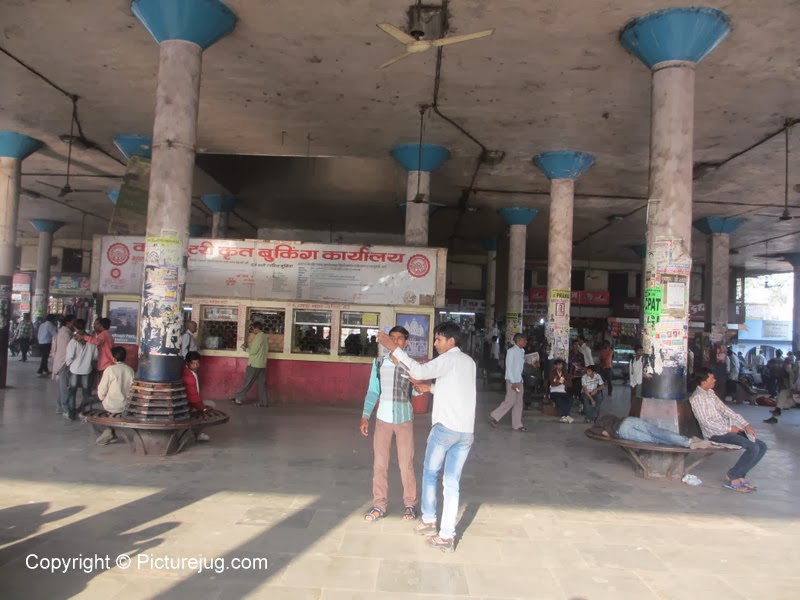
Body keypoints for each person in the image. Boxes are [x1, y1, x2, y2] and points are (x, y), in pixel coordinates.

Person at [377, 322, 476, 553]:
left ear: (451, 341)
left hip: (444, 430)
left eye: (438, 339)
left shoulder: (448, 359)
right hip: (465, 433)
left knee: (430, 474)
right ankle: (447, 536)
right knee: (452, 483)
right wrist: (428, 389)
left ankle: (430, 519)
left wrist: (394, 348)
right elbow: (457, 391)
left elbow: (419, 371)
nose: (435, 344)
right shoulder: (468, 362)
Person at [359, 326, 417, 523]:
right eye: (392, 338)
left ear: (406, 342)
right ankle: (379, 505)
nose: (395, 341)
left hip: (404, 419)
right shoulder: (379, 363)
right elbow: (373, 391)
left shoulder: (411, 365)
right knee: (380, 465)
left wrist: (416, 382)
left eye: (400, 339)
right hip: (383, 419)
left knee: (405, 465)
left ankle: (410, 505)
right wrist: (365, 415)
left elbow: (417, 392)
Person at [689, 368, 768, 492]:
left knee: (761, 446)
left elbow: (725, 410)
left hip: (727, 430)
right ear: (703, 382)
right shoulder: (697, 398)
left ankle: (740, 475)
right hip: (715, 434)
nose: (714, 380)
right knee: (753, 447)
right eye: (711, 379)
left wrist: (745, 424)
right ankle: (734, 476)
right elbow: (706, 422)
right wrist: (730, 428)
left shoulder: (710, 393)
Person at [589, 414, 716, 449]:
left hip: (621, 431)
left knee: (653, 439)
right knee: (656, 431)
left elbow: (604, 434)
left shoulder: (595, 427)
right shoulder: (606, 416)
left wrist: (606, 433)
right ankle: (688, 440)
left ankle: (688, 443)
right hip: (627, 420)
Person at [95, 346, 135, 445]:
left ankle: (109, 431)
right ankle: (109, 431)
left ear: (113, 358)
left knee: (106, 406)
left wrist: (102, 398)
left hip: (111, 406)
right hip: (125, 406)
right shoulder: (130, 370)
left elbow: (102, 390)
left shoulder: (110, 370)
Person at [488, 333, 527, 431]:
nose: (525, 342)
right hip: (512, 380)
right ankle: (494, 416)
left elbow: (520, 366)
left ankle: (517, 424)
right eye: (524, 340)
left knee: (518, 403)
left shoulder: (522, 351)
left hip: (519, 380)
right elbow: (509, 367)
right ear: (518, 340)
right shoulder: (511, 351)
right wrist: (513, 382)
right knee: (510, 401)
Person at [64, 319, 97, 420]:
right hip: (87, 370)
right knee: (86, 392)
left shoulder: (73, 341)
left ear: (75, 328)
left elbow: (69, 357)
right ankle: (85, 413)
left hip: (74, 369)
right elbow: (95, 356)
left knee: (72, 391)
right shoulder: (91, 340)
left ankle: (71, 414)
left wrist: (69, 365)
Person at [231, 321, 268, 406]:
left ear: (256, 328)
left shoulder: (258, 337)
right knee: (261, 384)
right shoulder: (265, 337)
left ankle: (239, 398)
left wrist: (245, 349)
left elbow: (253, 351)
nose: (253, 331)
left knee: (248, 382)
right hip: (262, 364)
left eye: (253, 329)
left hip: (254, 364)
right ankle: (263, 402)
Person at [182, 351, 214, 442]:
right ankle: (198, 434)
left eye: (198, 363)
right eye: (193, 363)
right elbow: (194, 397)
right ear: (188, 363)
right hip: (189, 405)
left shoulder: (185, 371)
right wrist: (203, 408)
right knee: (206, 409)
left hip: (184, 403)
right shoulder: (191, 376)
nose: (196, 365)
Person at [80, 317, 115, 393]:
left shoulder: (103, 335)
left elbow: (97, 341)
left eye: (97, 324)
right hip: (108, 360)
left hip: (105, 361)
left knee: (103, 381)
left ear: (101, 326)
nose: (95, 326)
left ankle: (101, 395)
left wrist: (84, 337)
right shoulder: (108, 335)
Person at [51, 315, 76, 415]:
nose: (74, 324)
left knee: (62, 385)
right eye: (73, 322)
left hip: (60, 361)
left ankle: (60, 405)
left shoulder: (63, 332)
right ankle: (64, 406)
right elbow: (68, 351)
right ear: (68, 323)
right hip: (63, 362)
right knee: (64, 386)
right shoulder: (65, 334)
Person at [548, 358, 572, 423]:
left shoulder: (565, 373)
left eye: (561, 365)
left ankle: (565, 415)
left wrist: (563, 382)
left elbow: (570, 384)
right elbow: (552, 384)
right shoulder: (552, 373)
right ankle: (565, 415)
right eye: (558, 365)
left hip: (563, 391)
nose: (560, 366)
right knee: (559, 399)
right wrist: (560, 382)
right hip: (554, 391)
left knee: (569, 399)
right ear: (555, 366)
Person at [568, 340, 586, 406]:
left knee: (579, 387)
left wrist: (579, 366)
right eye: (574, 344)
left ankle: (578, 399)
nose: (576, 346)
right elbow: (568, 364)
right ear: (572, 345)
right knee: (570, 387)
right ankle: (571, 399)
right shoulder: (569, 354)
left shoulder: (581, 355)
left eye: (577, 345)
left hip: (579, 375)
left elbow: (583, 365)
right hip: (570, 374)